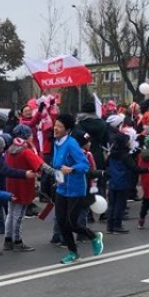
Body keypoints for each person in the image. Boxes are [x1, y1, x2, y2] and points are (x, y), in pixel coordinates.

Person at [51, 113, 103, 265]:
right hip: (62, 188)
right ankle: (73, 253)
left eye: (59, 126)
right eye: (55, 125)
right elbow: (57, 164)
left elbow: (85, 165)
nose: (56, 128)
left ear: (67, 129)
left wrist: (71, 169)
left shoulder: (72, 144)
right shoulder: (56, 142)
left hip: (75, 188)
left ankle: (94, 236)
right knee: (61, 222)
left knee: (72, 223)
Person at [2, 125, 51, 251]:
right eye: (30, 135)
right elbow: (40, 165)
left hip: (10, 185)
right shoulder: (26, 151)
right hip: (23, 186)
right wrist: (55, 173)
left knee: (10, 213)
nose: (32, 137)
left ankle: (8, 240)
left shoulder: (10, 150)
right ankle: (17, 241)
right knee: (19, 215)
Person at [106, 131, 141, 234]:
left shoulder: (112, 154)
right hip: (123, 181)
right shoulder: (125, 155)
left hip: (113, 181)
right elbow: (134, 168)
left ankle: (110, 226)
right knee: (120, 205)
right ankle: (117, 225)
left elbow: (107, 164)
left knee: (112, 204)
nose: (130, 142)